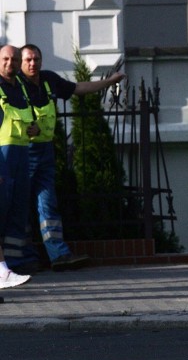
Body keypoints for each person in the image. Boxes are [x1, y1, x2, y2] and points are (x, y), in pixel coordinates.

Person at [18, 43, 126, 272]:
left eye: (36, 58)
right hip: (22, 152)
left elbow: (78, 88)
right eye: (28, 59)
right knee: (21, 207)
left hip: (45, 151)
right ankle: (24, 259)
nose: (32, 63)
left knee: (48, 205)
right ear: (20, 62)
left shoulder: (48, 80)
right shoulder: (15, 84)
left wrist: (107, 82)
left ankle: (59, 255)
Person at [0, 45, 42, 274]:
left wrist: (34, 128)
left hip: (22, 153)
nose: (10, 63)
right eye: (5, 59)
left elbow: (30, 119)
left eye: (14, 59)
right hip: (3, 154)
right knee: (3, 208)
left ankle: (15, 262)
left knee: (19, 208)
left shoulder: (22, 89)